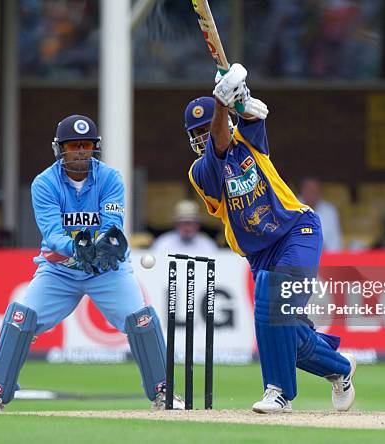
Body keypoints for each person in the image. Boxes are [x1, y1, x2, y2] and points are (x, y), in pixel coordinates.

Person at [0, 115, 182, 412]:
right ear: (60, 149)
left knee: (141, 319)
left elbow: (113, 222)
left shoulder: (110, 178)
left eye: (86, 145)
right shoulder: (44, 183)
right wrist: (75, 248)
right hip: (59, 270)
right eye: (74, 145)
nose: (80, 151)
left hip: (106, 270)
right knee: (21, 318)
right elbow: (51, 232)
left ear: (94, 148)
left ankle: (164, 393)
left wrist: (101, 248)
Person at [185, 64, 356, 414]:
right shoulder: (201, 172)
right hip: (259, 253)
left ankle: (278, 393)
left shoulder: (248, 140)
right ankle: (341, 369)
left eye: (208, 127)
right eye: (197, 132)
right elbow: (217, 145)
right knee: (287, 336)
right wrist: (222, 102)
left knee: (271, 296)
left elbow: (254, 115)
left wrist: (240, 98)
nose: (205, 135)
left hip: (297, 230)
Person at [151, 199, 218, 255]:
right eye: (183, 223)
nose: (187, 227)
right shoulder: (163, 243)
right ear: (176, 224)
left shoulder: (207, 244)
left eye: (190, 223)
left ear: (197, 225)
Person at [298, 177, 343, 251]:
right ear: (302, 191)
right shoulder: (292, 208)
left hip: (323, 256)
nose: (312, 195)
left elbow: (335, 242)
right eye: (310, 191)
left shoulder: (330, 211)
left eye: (315, 192)